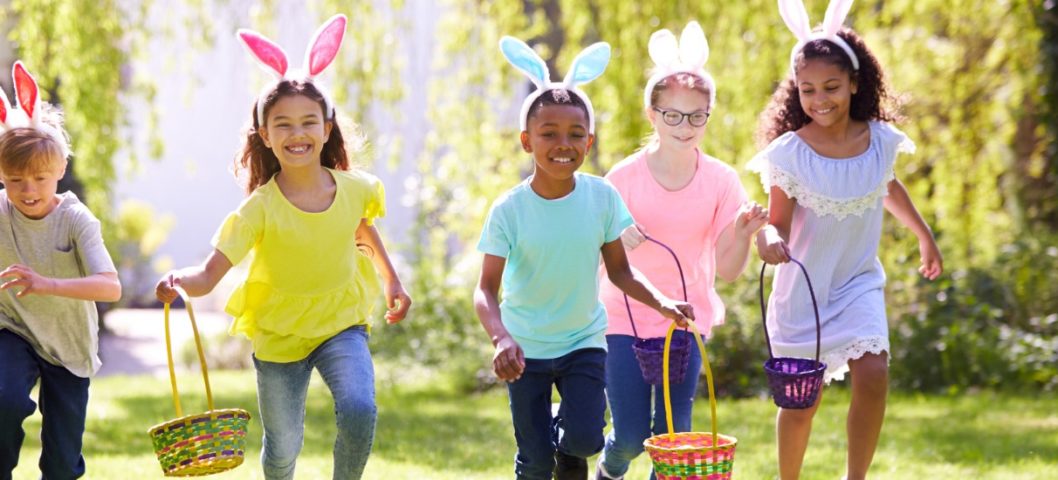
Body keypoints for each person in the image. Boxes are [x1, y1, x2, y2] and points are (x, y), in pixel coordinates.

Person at [154, 15, 411, 480]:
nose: (297, 134)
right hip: (279, 337)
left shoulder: (354, 188)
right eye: (283, 125)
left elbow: (362, 229)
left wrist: (392, 279)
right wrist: (179, 281)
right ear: (266, 136)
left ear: (327, 128)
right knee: (281, 450)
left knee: (358, 409)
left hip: (340, 322)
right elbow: (211, 272)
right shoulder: (259, 208)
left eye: (308, 122)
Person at [475, 36, 695, 480]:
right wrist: (500, 337)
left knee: (587, 439)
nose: (564, 143)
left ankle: (569, 446)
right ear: (526, 140)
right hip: (526, 348)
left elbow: (620, 271)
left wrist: (664, 304)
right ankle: (550, 456)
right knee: (536, 463)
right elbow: (485, 289)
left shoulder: (601, 197)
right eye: (549, 133)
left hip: (583, 342)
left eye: (576, 134)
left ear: (589, 141)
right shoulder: (509, 210)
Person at [749, 1, 943, 479]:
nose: (821, 99)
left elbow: (886, 186)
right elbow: (777, 221)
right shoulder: (790, 154)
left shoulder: (880, 140)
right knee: (800, 404)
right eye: (808, 89)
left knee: (874, 374)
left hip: (857, 282)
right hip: (804, 294)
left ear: (855, 82)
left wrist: (924, 234)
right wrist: (766, 241)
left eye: (831, 87)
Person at [594, 22, 767, 480]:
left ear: (709, 116)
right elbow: (596, 256)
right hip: (623, 319)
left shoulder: (721, 180)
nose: (684, 126)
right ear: (652, 114)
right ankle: (609, 469)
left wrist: (746, 232)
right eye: (672, 114)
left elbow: (728, 270)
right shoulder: (623, 179)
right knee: (631, 436)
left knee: (674, 440)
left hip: (685, 320)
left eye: (696, 116)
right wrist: (612, 241)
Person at [0, 61, 122, 480]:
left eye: (38, 178)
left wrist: (46, 284)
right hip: (12, 327)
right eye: (15, 180)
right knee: (3, 398)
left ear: (60, 170)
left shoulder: (76, 219)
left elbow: (110, 288)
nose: (28, 190)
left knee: (61, 460)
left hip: (69, 344)